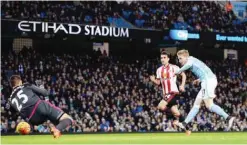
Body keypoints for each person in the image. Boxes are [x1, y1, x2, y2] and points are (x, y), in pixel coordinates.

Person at [174, 49, 235, 135]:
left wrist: (178, 71)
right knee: (196, 104)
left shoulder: (190, 60)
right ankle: (184, 123)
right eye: (178, 59)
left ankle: (228, 118)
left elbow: (189, 65)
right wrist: (199, 80)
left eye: (180, 58)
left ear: (186, 57)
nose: (179, 61)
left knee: (209, 105)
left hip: (208, 81)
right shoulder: (193, 59)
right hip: (207, 80)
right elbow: (205, 70)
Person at [9, 75, 73, 138]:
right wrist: (41, 86)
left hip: (32, 119)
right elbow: (45, 93)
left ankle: (50, 128)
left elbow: (17, 113)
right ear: (20, 82)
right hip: (39, 106)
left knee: (51, 118)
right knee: (68, 119)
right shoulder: (25, 85)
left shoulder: (11, 99)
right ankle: (57, 129)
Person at [150, 51, 186, 126]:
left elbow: (183, 75)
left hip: (173, 92)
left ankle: (175, 119)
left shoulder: (174, 67)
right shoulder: (159, 70)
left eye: (164, 58)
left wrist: (182, 85)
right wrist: (153, 80)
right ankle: (186, 127)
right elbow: (159, 83)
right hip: (166, 94)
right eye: (161, 58)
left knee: (160, 106)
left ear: (168, 59)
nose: (162, 59)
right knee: (176, 112)